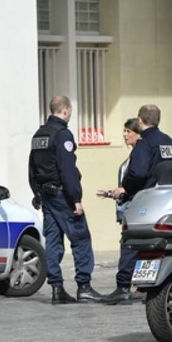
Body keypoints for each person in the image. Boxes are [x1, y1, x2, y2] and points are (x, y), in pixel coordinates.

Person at [28, 95, 104, 304]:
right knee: (80, 238)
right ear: (66, 110)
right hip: (62, 195)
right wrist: (76, 199)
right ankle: (84, 286)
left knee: (53, 240)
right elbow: (67, 169)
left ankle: (56, 288)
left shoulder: (39, 135)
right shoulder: (63, 135)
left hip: (46, 195)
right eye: (70, 111)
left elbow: (32, 167)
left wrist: (36, 193)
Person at [104, 105, 172, 303]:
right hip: (169, 200)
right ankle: (149, 286)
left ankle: (123, 285)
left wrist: (125, 188)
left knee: (131, 241)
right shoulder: (169, 142)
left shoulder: (145, 143)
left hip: (146, 200)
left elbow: (137, 173)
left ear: (140, 120)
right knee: (158, 244)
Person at [96, 118, 141, 305]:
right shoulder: (131, 157)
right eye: (124, 131)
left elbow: (136, 181)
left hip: (134, 207)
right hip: (126, 206)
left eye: (128, 131)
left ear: (138, 133)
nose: (125, 135)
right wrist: (111, 193)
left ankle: (125, 285)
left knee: (129, 245)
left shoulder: (140, 156)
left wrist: (124, 191)